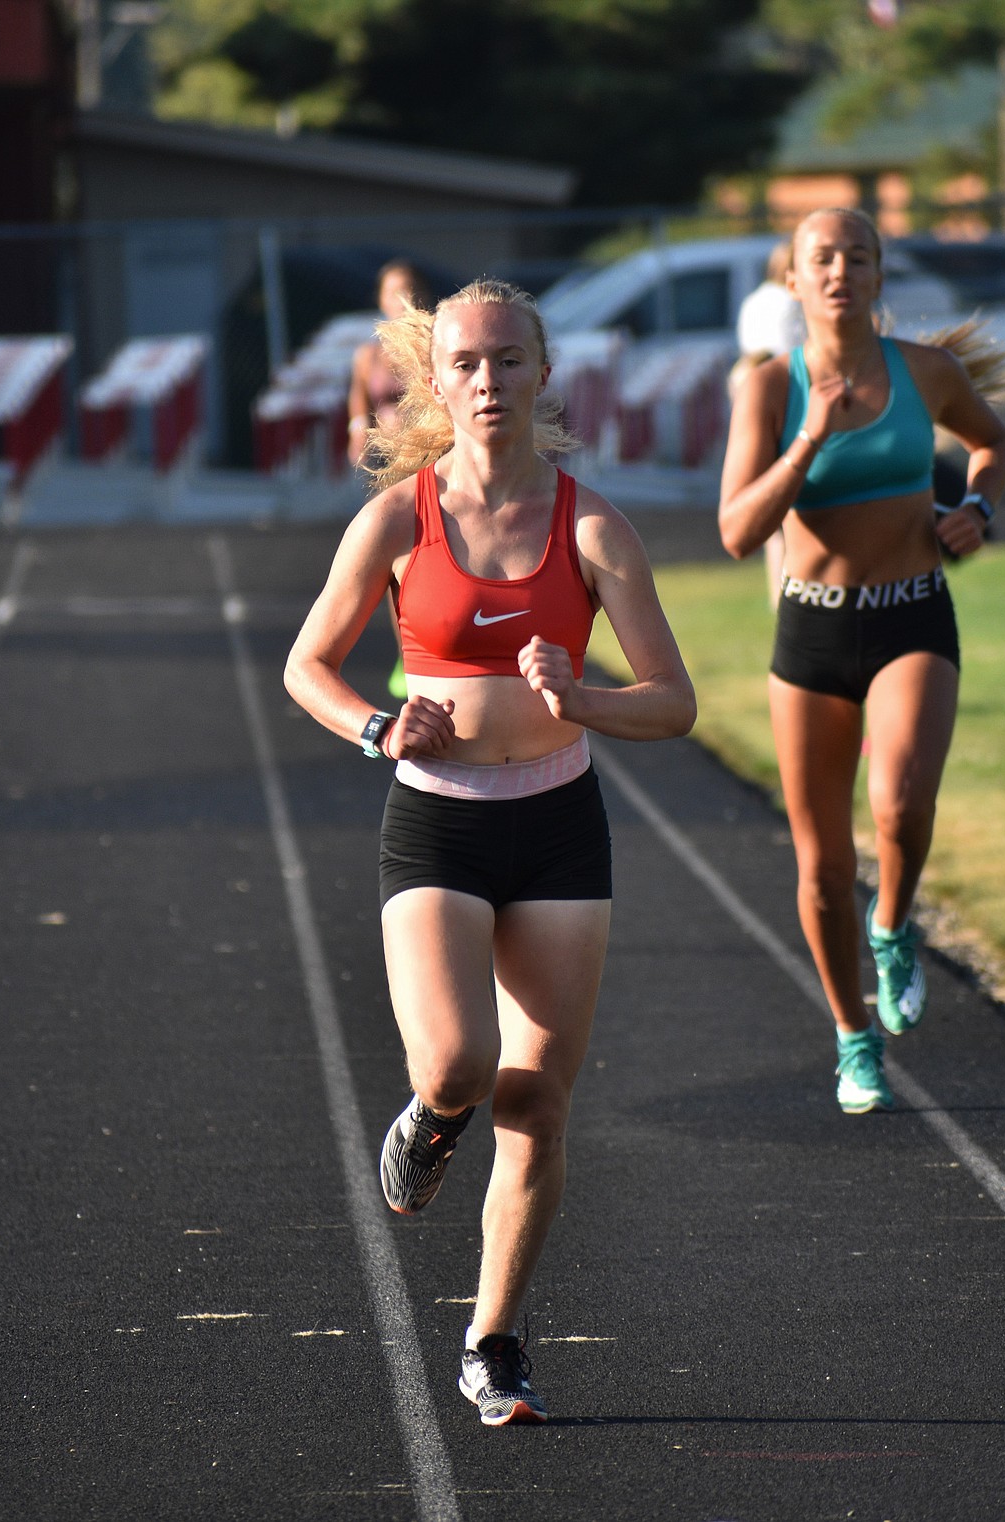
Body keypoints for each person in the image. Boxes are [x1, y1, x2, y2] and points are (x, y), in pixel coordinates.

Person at [285, 278, 696, 1424]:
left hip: (559, 819)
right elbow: (305, 664)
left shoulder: (594, 523)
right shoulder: (398, 519)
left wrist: (584, 697)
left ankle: (495, 1338)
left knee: (543, 1107)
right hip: (441, 816)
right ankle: (427, 1119)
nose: (486, 382)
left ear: (543, 372)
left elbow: (672, 702)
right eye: (465, 363)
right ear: (438, 380)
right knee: (462, 1065)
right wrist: (376, 722)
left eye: (508, 361)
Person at [718, 207, 1005, 1116]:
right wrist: (812, 434)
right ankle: (854, 1038)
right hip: (809, 635)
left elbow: (993, 444)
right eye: (822, 258)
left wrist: (978, 510)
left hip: (911, 615)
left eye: (858, 256)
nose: (840, 270)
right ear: (795, 282)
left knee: (900, 803)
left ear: (880, 276)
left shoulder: (928, 373)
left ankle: (895, 926)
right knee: (819, 869)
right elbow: (736, 531)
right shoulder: (769, 390)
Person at [347, 259, 435, 702]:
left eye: (409, 290)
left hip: (430, 463)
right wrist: (356, 434)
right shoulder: (368, 356)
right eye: (393, 292)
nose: (402, 301)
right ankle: (409, 652)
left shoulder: (432, 345)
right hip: (391, 469)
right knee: (392, 565)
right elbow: (358, 403)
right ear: (381, 300)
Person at [732, 241, 809, 610]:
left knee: (768, 513)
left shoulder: (754, 300)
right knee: (788, 504)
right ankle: (794, 591)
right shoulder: (792, 305)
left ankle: (779, 596)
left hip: (747, 389)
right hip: (784, 398)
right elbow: (795, 355)